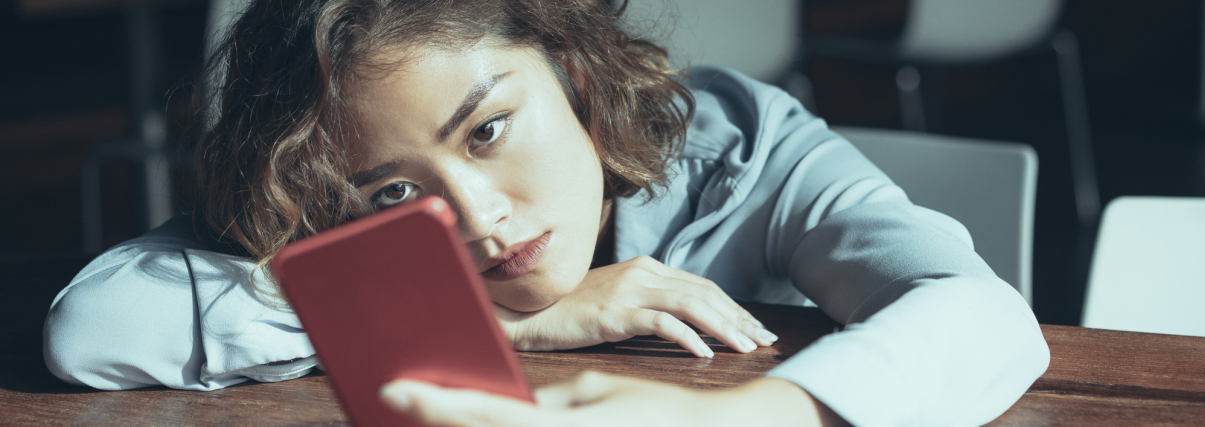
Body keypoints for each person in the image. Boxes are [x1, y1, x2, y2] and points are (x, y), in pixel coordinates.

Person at [43, 0, 1050, 425]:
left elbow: (981, 312)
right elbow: (94, 331)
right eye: (394, 191)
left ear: (568, 71)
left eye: (485, 132)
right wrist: (493, 318)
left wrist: (752, 414)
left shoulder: (737, 147)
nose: (472, 218)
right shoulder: (330, 221)